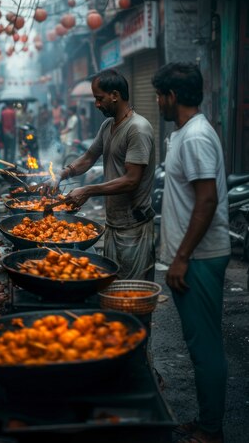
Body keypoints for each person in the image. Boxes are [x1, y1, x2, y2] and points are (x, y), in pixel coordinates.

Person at [152, 62, 230, 443]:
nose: (158, 102)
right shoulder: (185, 133)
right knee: (200, 343)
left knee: (205, 346)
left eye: (160, 95)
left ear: (172, 97)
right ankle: (205, 421)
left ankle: (212, 429)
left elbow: (207, 200)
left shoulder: (196, 136)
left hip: (199, 257)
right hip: (192, 255)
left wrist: (181, 257)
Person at [46, 69, 156, 280]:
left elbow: (132, 180)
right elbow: (88, 158)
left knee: (132, 296)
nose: (96, 104)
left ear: (115, 95)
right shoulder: (108, 126)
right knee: (113, 291)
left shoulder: (138, 129)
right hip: (114, 225)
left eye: (99, 98)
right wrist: (61, 174)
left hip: (134, 227)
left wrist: (87, 190)